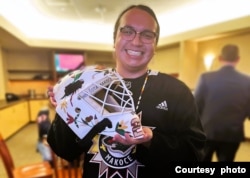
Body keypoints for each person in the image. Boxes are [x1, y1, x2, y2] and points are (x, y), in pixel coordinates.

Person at [47, 4, 206, 177]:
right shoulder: (87, 83)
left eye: (147, 35)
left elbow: (195, 157)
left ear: (155, 45)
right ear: (114, 39)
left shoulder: (177, 92)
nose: (136, 42)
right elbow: (63, 150)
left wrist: (152, 140)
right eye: (127, 31)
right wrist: (65, 107)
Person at [194, 44, 250, 162]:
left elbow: (197, 106)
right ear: (238, 59)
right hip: (233, 133)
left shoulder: (206, 77)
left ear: (220, 58)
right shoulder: (247, 81)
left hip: (208, 131)